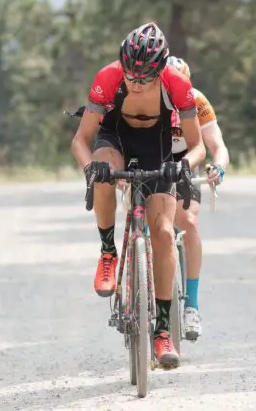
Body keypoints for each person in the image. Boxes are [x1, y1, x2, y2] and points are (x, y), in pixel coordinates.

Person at [70, 22, 205, 369]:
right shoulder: (108, 78)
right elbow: (80, 141)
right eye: (129, 73)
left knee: (162, 233)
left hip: (156, 148)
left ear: (160, 70)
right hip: (114, 138)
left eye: (143, 77)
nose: (134, 81)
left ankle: (161, 331)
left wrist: (184, 166)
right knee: (103, 172)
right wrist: (90, 168)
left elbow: (197, 146)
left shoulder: (178, 86)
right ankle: (107, 253)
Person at [167, 56, 229, 341]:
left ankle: (191, 303)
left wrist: (220, 167)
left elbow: (217, 144)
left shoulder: (197, 101)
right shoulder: (148, 97)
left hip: (187, 161)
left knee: (188, 222)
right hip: (149, 156)